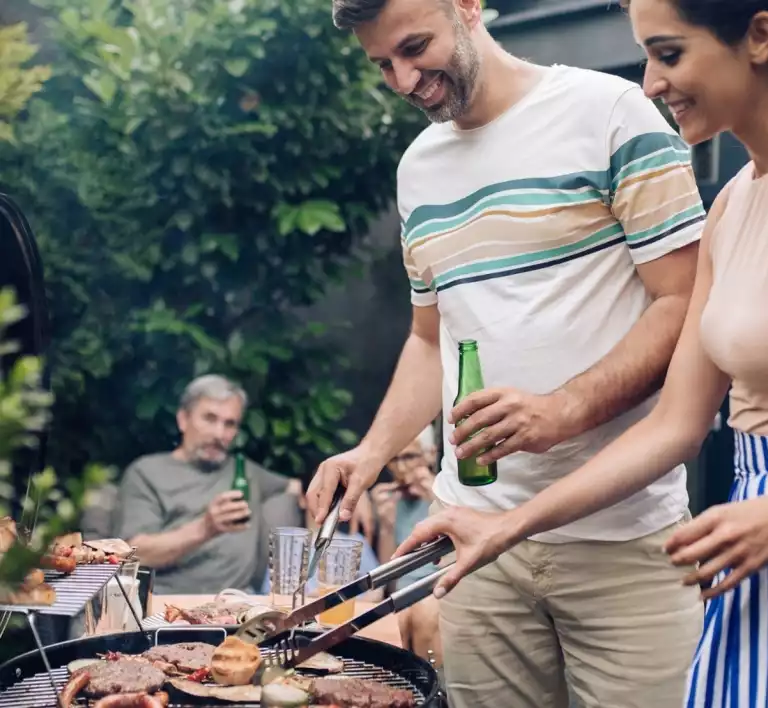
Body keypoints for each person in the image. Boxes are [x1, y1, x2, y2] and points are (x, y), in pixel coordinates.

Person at [396, 1, 768, 706]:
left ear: (759, 36)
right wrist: (504, 527)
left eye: (669, 54)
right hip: (749, 544)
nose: (649, 83)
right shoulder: (733, 203)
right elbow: (674, 426)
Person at [309, 0, 707, 704]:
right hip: (471, 544)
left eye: (414, 46)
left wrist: (566, 407)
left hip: (624, 542)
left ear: (467, 7)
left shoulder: (612, 113)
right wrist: (369, 454)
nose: (403, 80)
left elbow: (684, 302)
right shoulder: (418, 170)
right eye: (382, 66)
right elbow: (430, 339)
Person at [115, 375, 301, 594]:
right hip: (168, 607)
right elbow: (135, 555)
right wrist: (206, 529)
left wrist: (346, 502)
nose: (218, 434)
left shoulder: (245, 471)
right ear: (183, 419)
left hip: (239, 608)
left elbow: (295, 487)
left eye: (229, 424)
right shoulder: (146, 472)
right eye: (210, 419)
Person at [371, 425, 439, 591]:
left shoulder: (449, 494)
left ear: (430, 454)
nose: (400, 468)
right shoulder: (389, 502)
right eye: (394, 459)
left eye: (409, 457)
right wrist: (387, 528)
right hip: (402, 598)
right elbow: (387, 581)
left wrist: (438, 501)